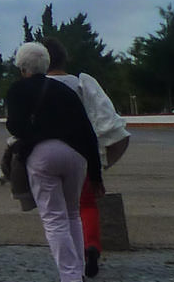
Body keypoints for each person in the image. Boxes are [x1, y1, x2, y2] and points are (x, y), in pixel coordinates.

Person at [7, 42, 102, 282]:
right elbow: (88, 132)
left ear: (22, 67)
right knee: (73, 215)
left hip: (43, 155)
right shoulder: (66, 92)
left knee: (54, 219)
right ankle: (78, 271)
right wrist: (96, 174)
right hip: (76, 156)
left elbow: (15, 126)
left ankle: (70, 276)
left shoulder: (18, 90)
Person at [44, 39, 129, 278]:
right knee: (86, 206)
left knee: (56, 213)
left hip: (46, 156)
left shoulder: (36, 86)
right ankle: (90, 247)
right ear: (64, 59)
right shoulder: (80, 83)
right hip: (81, 154)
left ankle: (69, 265)